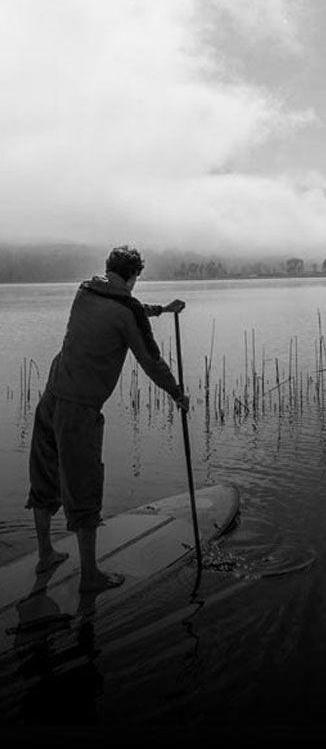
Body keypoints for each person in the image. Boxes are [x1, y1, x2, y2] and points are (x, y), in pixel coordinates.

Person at [26, 245, 190, 592]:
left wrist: (160, 309)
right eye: (136, 280)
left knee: (45, 480)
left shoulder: (85, 291)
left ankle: (45, 555)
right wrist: (177, 393)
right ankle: (89, 577)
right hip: (78, 411)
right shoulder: (126, 310)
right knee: (84, 487)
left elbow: (127, 309)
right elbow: (151, 361)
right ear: (133, 277)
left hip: (50, 398)